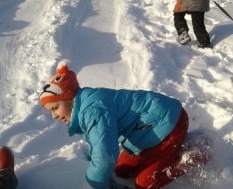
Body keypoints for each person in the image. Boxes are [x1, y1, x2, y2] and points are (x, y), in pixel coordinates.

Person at [39, 60, 210, 189]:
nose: (54, 115)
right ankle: (169, 152)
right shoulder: (84, 106)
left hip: (169, 122)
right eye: (51, 112)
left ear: (69, 98)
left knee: (145, 183)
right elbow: (97, 140)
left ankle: (196, 154)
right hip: (147, 129)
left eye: (55, 108)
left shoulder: (92, 109)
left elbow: (105, 154)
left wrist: (96, 184)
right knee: (122, 170)